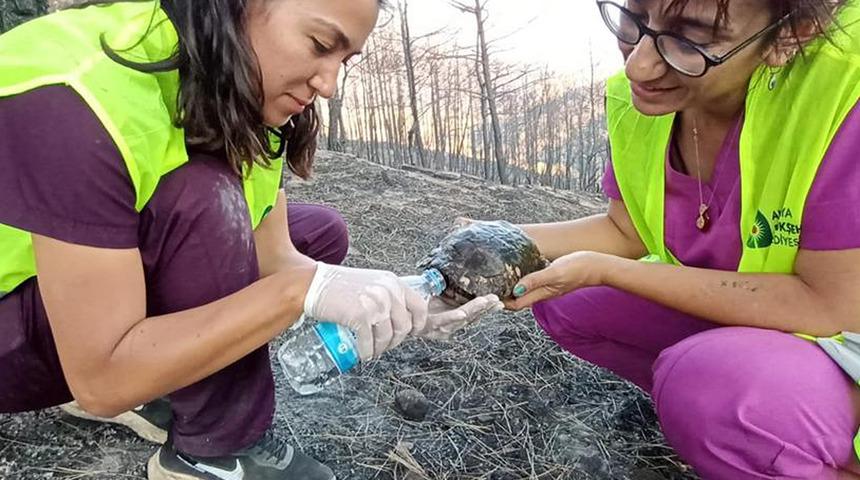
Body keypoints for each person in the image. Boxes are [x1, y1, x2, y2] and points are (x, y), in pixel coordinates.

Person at [0, 1, 501, 479]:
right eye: (320, 44)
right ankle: (214, 453)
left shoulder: (229, 82)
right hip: (15, 331)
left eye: (343, 60)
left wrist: (394, 296)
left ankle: (157, 371)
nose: (328, 85)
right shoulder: (80, 95)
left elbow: (275, 254)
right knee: (202, 197)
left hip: (67, 290)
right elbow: (101, 382)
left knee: (320, 233)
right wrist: (297, 294)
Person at [445, 0, 860, 478]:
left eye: (691, 37)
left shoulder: (842, 94)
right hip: (771, 325)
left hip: (845, 340)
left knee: (712, 389)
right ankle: (748, 409)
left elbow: (830, 307)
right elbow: (626, 229)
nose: (638, 62)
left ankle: (805, 438)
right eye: (634, 17)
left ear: (790, 35)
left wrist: (605, 270)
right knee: (569, 299)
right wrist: (494, 236)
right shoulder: (646, 98)